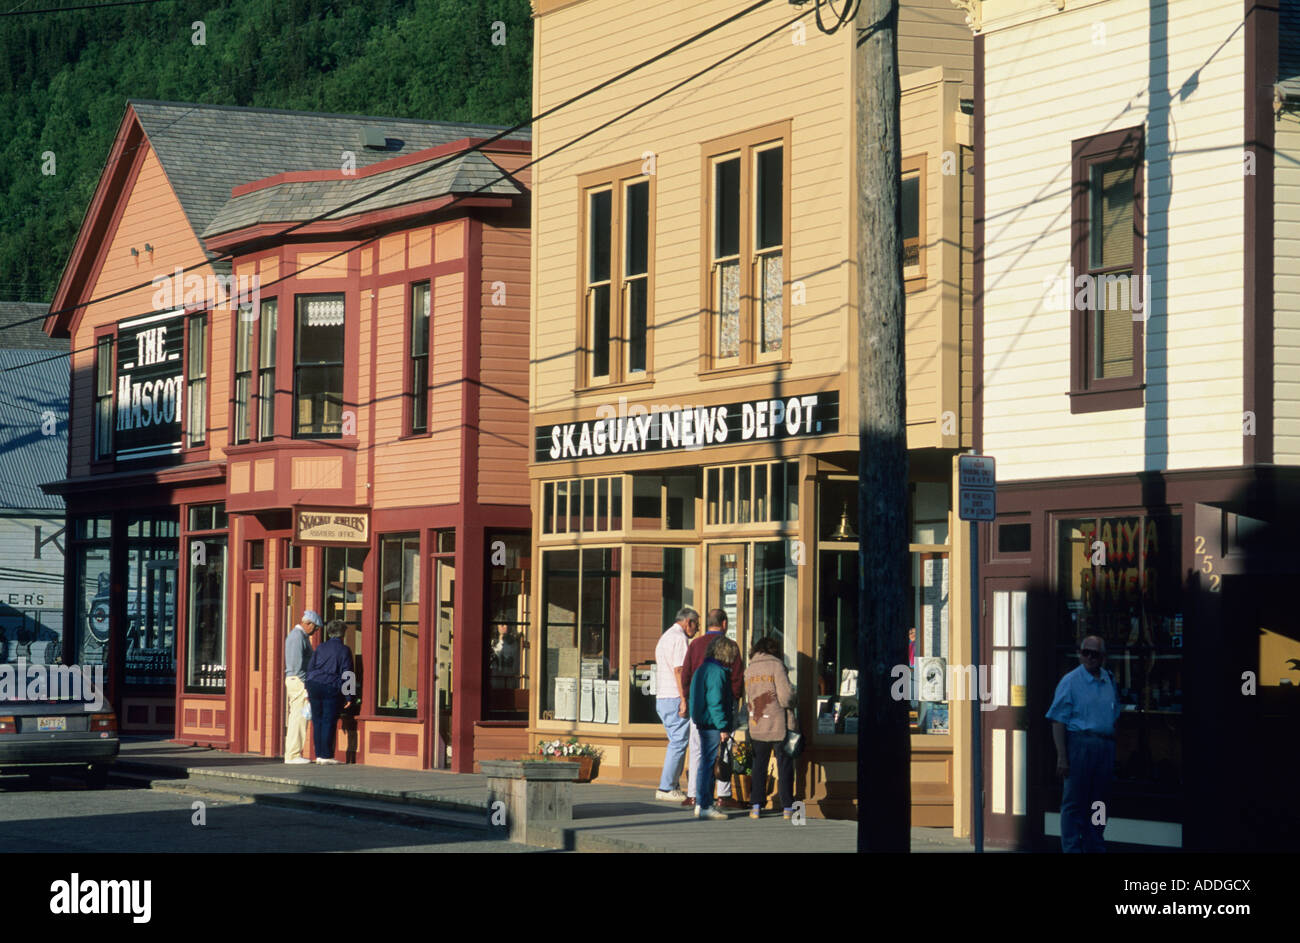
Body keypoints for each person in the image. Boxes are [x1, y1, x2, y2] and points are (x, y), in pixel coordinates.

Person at [1047, 635, 1122, 853]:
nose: (1089, 657)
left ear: (1103, 657)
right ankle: (1072, 848)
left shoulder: (1108, 679)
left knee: (1099, 802)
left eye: (1094, 653)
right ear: (1079, 653)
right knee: (1074, 803)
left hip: (1104, 746)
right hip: (1080, 745)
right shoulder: (1070, 681)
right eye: (1085, 652)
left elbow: (1114, 713)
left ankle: (1095, 843)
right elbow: (1058, 719)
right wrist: (1062, 756)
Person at [680, 608, 744, 808]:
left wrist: (689, 698)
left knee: (697, 751)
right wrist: (734, 699)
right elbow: (737, 678)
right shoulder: (729, 646)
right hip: (720, 707)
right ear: (724, 623)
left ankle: (693, 795)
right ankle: (723, 794)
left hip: (697, 707)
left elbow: (686, 674)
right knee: (722, 748)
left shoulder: (695, 644)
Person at [744, 635, 796, 820]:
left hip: (757, 724)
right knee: (784, 765)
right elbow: (785, 696)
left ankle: (756, 806)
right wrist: (794, 696)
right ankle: (788, 807)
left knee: (759, 766)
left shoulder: (750, 668)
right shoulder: (776, 665)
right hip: (778, 723)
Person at [689, 634, 739, 821]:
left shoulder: (702, 669)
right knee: (709, 764)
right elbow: (715, 701)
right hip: (712, 723)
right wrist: (723, 727)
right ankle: (705, 804)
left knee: (706, 763)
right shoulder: (717, 672)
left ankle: (702, 803)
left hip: (703, 721)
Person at [653, 607, 699, 801]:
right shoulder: (679, 639)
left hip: (663, 696)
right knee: (679, 741)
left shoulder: (665, 637)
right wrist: (683, 699)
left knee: (676, 740)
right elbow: (679, 670)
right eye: (696, 623)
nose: (697, 629)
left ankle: (671, 785)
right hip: (673, 696)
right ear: (688, 622)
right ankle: (666, 787)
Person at [304, 619, 355, 765]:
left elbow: (310, 668)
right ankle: (326, 755)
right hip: (330, 685)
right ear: (343, 634)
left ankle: (319, 754)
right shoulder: (344, 650)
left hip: (314, 684)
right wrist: (349, 695)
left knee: (317, 720)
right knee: (328, 720)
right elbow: (347, 673)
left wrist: (308, 689)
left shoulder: (320, 647)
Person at [284, 609, 321, 764]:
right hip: (298, 680)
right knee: (298, 718)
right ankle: (292, 755)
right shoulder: (297, 637)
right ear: (308, 624)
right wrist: (306, 685)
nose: (316, 631)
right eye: (315, 627)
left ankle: (293, 753)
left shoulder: (300, 636)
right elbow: (296, 665)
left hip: (296, 680)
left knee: (298, 717)